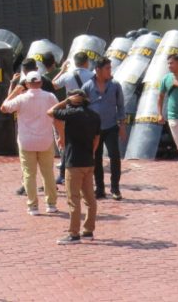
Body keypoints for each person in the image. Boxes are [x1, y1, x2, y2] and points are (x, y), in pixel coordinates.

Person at [1, 71, 59, 215]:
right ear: (40, 82)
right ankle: (51, 204)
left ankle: (33, 206)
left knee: (29, 174)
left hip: (26, 141)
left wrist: (14, 91)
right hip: (45, 140)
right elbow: (58, 114)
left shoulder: (21, 98)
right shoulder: (50, 97)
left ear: (26, 84)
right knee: (48, 174)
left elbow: (3, 108)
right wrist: (61, 135)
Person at [48, 89, 101, 244]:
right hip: (88, 161)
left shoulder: (72, 114)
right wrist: (91, 153)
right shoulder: (95, 116)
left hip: (74, 162)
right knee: (90, 198)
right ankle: (88, 230)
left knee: (73, 199)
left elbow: (51, 111)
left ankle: (74, 234)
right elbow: (97, 139)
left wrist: (66, 100)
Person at [82, 58, 126, 200]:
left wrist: (122, 125)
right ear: (98, 70)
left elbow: (120, 106)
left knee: (115, 156)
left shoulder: (115, 86)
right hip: (94, 130)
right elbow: (82, 108)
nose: (110, 71)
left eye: (110, 68)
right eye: (107, 68)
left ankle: (115, 188)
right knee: (96, 158)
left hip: (111, 127)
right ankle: (100, 189)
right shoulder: (87, 87)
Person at [51, 52, 94, 185]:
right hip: (87, 111)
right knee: (88, 141)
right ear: (86, 62)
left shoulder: (67, 75)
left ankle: (63, 174)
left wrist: (62, 70)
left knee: (68, 142)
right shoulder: (92, 75)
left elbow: (54, 84)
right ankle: (87, 173)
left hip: (70, 111)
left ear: (75, 62)